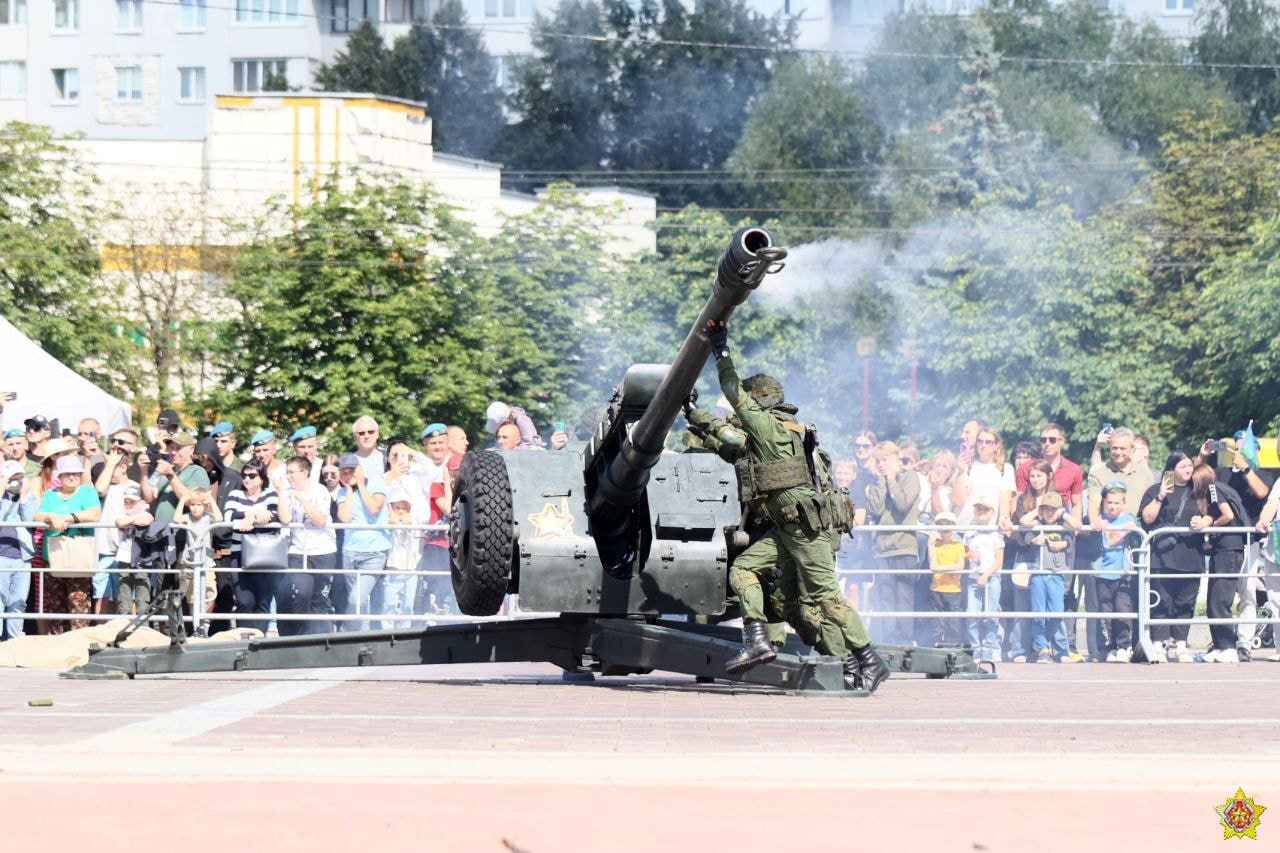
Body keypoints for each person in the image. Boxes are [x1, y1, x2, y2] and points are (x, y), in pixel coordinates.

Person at [706, 319, 887, 692]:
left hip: (804, 529)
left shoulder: (767, 428)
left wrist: (720, 348)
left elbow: (731, 388)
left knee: (826, 599)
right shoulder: (796, 429)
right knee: (746, 572)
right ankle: (757, 640)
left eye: (749, 402)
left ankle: (868, 660)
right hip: (788, 530)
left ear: (759, 403)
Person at [1200, 433, 1273, 660]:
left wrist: (1245, 469)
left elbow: (1263, 492)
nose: (1236, 452)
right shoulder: (1220, 471)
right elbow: (1197, 479)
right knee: (1221, 592)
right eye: (1234, 447)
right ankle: (1223, 639)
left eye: (1243, 448)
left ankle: (1244, 640)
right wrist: (1202, 456)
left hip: (1249, 540)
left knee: (1247, 591)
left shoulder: (1261, 471)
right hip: (1223, 541)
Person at [1139, 452, 1201, 662]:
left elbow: (1211, 513)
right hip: (1162, 556)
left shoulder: (1197, 491)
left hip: (1191, 555)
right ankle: (1159, 643)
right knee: (1161, 600)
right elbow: (1147, 519)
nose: (1188, 469)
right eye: (1183, 465)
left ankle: (1180, 644)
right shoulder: (1155, 490)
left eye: (1190, 465)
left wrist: (1205, 521)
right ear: (1171, 469)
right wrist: (1160, 496)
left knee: (1186, 601)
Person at [1189, 464, 1251, 663]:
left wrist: (1210, 524)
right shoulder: (1216, 490)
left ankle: (1228, 646)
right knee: (1212, 598)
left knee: (1221, 598)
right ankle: (1218, 644)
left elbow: (1228, 515)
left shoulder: (1214, 489)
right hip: (1222, 549)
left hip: (1229, 549)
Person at [33, 455, 101, 632]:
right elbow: (38, 516)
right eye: (68, 474)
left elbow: (94, 513)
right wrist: (51, 517)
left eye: (76, 474)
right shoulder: (50, 495)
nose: (72, 477)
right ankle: (59, 650)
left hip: (79, 558)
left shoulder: (87, 492)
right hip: (54, 558)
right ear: (60, 477)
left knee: (79, 606)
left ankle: (80, 647)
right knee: (55, 607)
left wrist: (70, 518)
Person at [865, 441, 922, 647]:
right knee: (885, 599)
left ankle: (905, 643)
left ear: (897, 458)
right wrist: (882, 482)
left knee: (904, 599)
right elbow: (877, 509)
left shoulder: (910, 477)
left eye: (885, 460)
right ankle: (888, 643)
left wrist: (891, 480)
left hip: (904, 547)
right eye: (878, 461)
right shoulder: (874, 484)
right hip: (882, 551)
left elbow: (902, 504)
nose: (881, 464)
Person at [277, 456, 337, 635]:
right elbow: (286, 519)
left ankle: (320, 640)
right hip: (297, 551)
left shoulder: (320, 491)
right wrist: (281, 492)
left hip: (323, 551)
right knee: (300, 593)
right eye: (287, 472)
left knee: (320, 599)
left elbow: (320, 520)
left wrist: (303, 500)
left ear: (304, 472)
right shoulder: (287, 491)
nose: (288, 476)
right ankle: (298, 638)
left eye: (291, 472)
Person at [223, 460, 282, 628]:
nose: (247, 479)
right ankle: (244, 639)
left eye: (252, 475)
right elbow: (229, 517)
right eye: (244, 475)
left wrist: (250, 518)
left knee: (263, 602)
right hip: (239, 553)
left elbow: (274, 515)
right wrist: (255, 514)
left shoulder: (270, 494)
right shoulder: (235, 494)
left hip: (265, 554)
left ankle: (259, 641)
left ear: (261, 478)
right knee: (244, 601)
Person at [334, 452, 390, 631]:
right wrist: (350, 489)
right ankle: (362, 636)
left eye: (351, 470)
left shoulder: (376, 483)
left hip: (375, 552)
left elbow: (374, 508)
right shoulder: (343, 492)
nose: (348, 474)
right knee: (360, 600)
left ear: (360, 469)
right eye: (344, 472)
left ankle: (347, 632)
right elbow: (344, 517)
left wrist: (360, 484)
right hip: (350, 552)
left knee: (356, 599)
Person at [1090, 482, 1140, 662]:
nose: (1112, 506)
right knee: (1106, 613)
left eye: (1117, 503)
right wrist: (1102, 527)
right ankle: (1111, 646)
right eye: (1109, 502)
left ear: (1124, 503)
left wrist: (1110, 531)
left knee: (1122, 611)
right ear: (1104, 503)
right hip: (1102, 573)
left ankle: (1124, 646)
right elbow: (1104, 540)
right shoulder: (1098, 520)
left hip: (1123, 573)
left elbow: (1112, 540)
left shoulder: (1129, 519)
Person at [1024, 491, 1075, 662]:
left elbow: (1078, 526)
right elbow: (1023, 522)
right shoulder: (1036, 524)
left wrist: (1064, 541)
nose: (1049, 513)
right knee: (1038, 613)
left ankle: (1061, 649)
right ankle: (1042, 649)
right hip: (1038, 574)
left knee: (1057, 613)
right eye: (1046, 509)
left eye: (1053, 509)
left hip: (1056, 575)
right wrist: (1034, 539)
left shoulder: (1063, 526)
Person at [963, 494, 1004, 662]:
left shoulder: (995, 533)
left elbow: (999, 560)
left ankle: (991, 647)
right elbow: (965, 552)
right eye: (978, 508)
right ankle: (975, 647)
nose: (980, 512)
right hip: (974, 577)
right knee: (972, 614)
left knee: (991, 614)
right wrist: (969, 554)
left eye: (984, 509)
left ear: (991, 512)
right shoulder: (969, 532)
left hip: (992, 577)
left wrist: (987, 575)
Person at [173, 490, 220, 637]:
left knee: (210, 593)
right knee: (192, 596)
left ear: (204, 506)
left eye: (199, 504)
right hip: (189, 563)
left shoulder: (208, 517)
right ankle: (195, 626)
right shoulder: (187, 517)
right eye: (192, 504)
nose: (195, 508)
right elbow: (176, 519)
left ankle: (204, 626)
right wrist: (183, 500)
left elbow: (219, 518)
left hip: (206, 562)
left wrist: (210, 500)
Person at [0, 461, 35, 640]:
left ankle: (14, 642)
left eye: (19, 478)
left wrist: (24, 497)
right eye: (11, 478)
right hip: (1, 557)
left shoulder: (28, 497)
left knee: (18, 602)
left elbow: (30, 519)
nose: (15, 482)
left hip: (22, 557)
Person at [111, 485, 154, 617]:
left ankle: (143, 621)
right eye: (126, 501)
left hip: (141, 557)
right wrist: (133, 520)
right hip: (124, 557)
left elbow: (147, 520)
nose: (129, 504)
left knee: (142, 585)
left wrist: (131, 519)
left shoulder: (145, 513)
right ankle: (124, 617)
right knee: (124, 586)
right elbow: (119, 522)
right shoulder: (122, 514)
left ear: (141, 502)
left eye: (132, 501)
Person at [926, 511, 965, 646]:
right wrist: (951, 568)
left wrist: (941, 568)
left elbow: (959, 566)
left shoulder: (959, 545)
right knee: (937, 622)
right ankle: (937, 646)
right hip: (937, 588)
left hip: (953, 589)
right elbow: (933, 566)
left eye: (947, 527)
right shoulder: (934, 545)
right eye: (941, 527)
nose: (944, 530)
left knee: (953, 622)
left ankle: (953, 648)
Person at [248, 430, 288, 494]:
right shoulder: (252, 472)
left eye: (265, 450)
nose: (262, 454)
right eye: (258, 451)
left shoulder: (286, 469)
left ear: (274, 449)